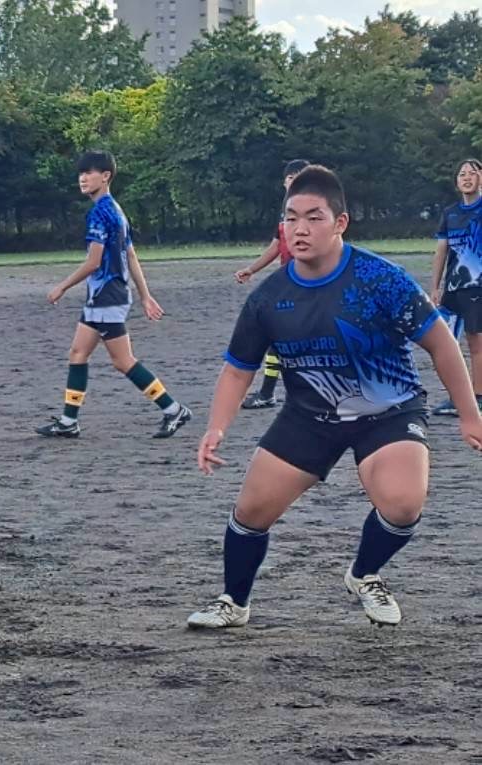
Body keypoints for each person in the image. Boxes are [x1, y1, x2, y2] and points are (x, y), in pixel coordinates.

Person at [188, 165, 482, 631]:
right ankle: (233, 602)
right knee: (251, 512)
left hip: (388, 412)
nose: (300, 229)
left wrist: (469, 413)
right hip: (309, 417)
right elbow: (238, 368)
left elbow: (442, 344)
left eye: (314, 217)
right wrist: (216, 427)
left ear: (340, 222)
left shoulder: (380, 279)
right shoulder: (269, 298)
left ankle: (364, 574)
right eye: (291, 218)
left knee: (403, 503)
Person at [36, 150, 191, 439]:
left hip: (107, 297)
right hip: (104, 297)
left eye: (89, 172)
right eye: (80, 173)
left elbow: (94, 262)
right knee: (78, 353)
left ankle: (173, 409)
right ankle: (69, 422)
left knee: (123, 361)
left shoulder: (99, 213)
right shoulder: (116, 210)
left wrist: (62, 286)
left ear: (105, 176)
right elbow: (130, 255)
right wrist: (144, 295)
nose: (82, 178)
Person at [234, 158, 310, 409]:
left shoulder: (314, 209)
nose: (290, 182)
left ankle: (270, 393)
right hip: (290, 280)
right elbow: (277, 245)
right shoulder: (287, 210)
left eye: (296, 177)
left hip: (306, 282)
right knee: (277, 336)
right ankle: (269, 393)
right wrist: (251, 269)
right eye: (289, 178)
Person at [429, 158, 482, 416]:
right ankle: (457, 397)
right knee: (445, 342)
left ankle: (478, 397)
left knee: (476, 341)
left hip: (477, 287)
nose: (467, 177)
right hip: (453, 288)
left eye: (472, 173)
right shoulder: (450, 213)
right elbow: (441, 251)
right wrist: (435, 287)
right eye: (462, 174)